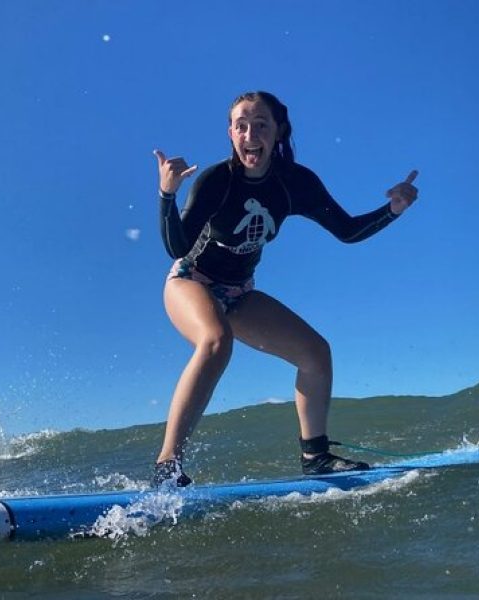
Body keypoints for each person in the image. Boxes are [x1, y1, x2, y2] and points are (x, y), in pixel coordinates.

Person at [152, 90, 419, 487]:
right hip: (191, 279)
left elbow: (347, 231)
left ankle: (315, 456)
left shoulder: (296, 184)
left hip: (240, 292)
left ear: (278, 132)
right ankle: (167, 465)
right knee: (215, 340)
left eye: (261, 125)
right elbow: (177, 246)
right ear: (230, 132)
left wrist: (393, 209)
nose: (250, 133)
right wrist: (167, 195)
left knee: (315, 352)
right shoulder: (215, 182)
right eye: (241, 125)